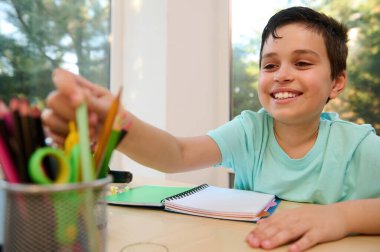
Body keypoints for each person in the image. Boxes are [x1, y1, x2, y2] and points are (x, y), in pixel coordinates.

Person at [42, 6, 380, 252]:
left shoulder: (358, 145)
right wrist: (118, 126)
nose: (281, 74)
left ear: (337, 83)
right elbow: (178, 154)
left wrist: (340, 218)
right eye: (270, 65)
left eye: (302, 63)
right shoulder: (250, 130)